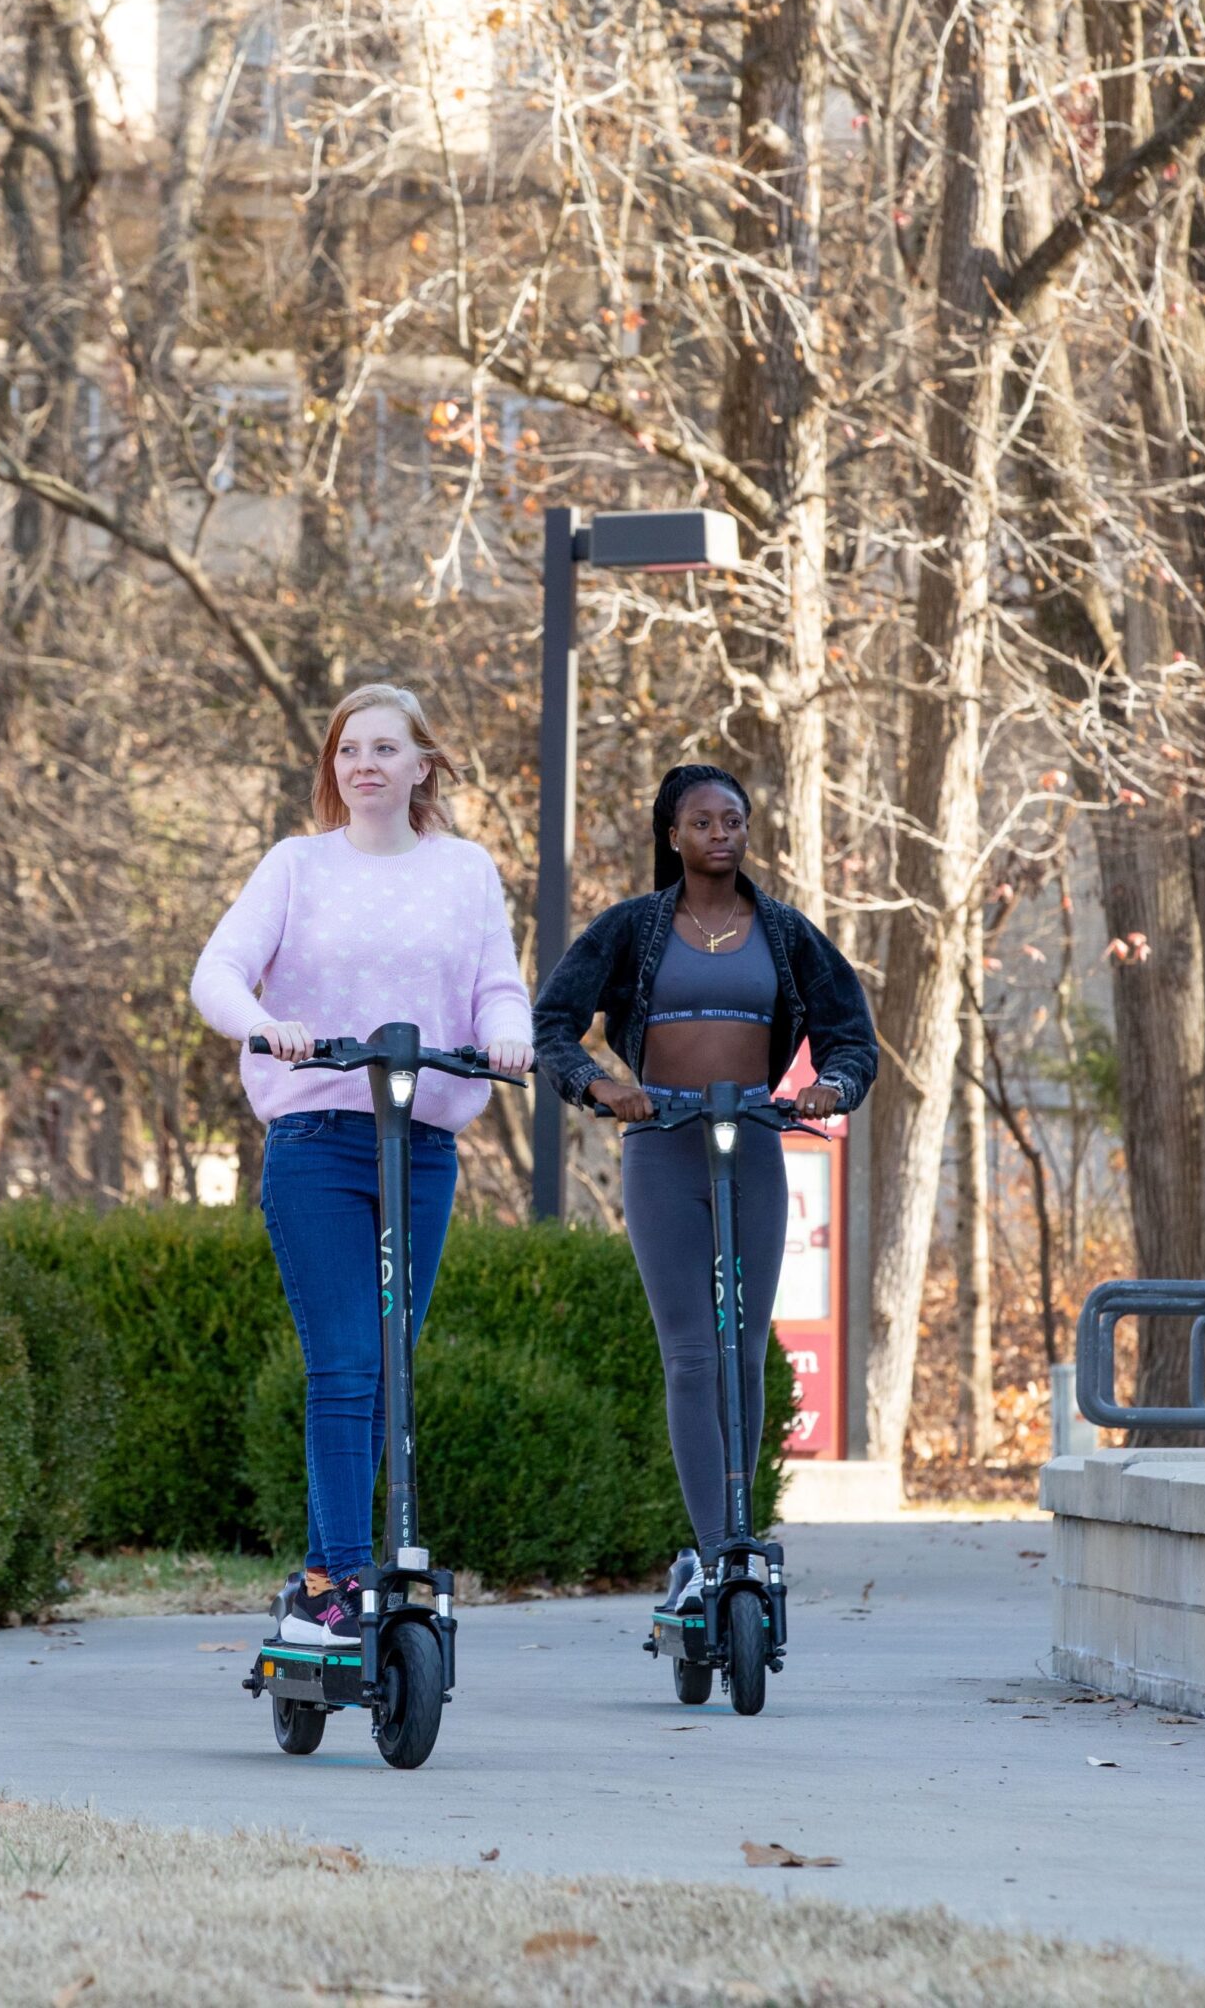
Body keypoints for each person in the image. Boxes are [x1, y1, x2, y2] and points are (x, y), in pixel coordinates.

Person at [191, 683, 533, 1647]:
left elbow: (497, 987)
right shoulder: (297, 866)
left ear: (423, 765)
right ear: (333, 769)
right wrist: (267, 1026)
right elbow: (215, 973)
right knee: (343, 1365)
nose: (364, 765)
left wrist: (507, 1039)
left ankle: (317, 1579)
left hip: (420, 1146)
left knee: (385, 1375)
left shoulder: (465, 872)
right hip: (317, 1143)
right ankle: (343, 1579)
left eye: (385, 748)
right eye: (348, 751)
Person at [532, 764, 877, 1618]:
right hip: (663, 1148)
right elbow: (551, 1024)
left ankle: (739, 1542)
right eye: (702, 820)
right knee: (691, 1352)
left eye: (734, 818)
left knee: (744, 1349)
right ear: (673, 836)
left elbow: (852, 1035)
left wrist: (831, 1086)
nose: (722, 832)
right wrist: (600, 1086)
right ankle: (717, 1551)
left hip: (756, 1142)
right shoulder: (632, 928)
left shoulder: (786, 932)